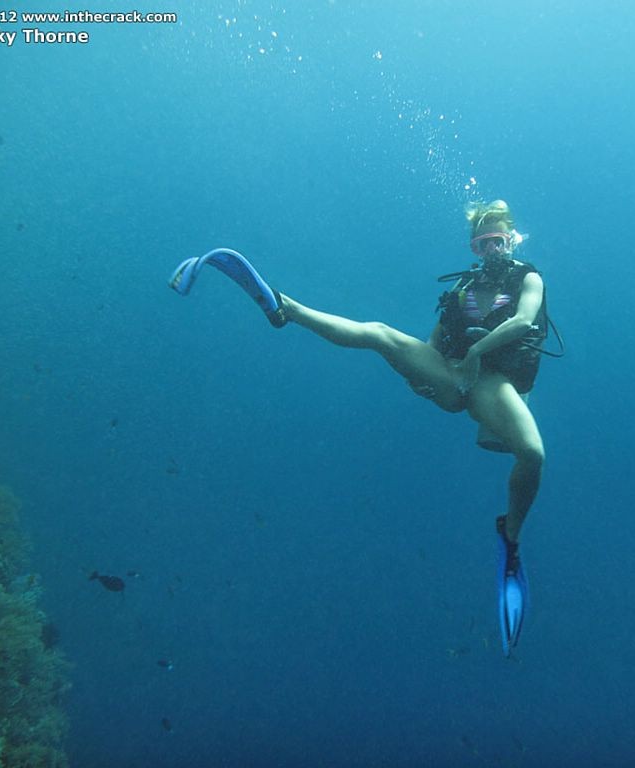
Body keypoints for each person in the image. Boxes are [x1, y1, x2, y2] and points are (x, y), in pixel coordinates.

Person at [170, 200, 548, 655]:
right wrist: (421, 378)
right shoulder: (464, 288)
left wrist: (472, 357)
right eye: (481, 243)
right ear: (472, 246)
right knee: (378, 333)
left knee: (533, 453)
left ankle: (511, 537)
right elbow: (432, 343)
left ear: (513, 240)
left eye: (498, 242)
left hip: (492, 381)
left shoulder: (528, 277)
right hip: (452, 377)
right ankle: (285, 308)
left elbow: (524, 321)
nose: (490, 251)